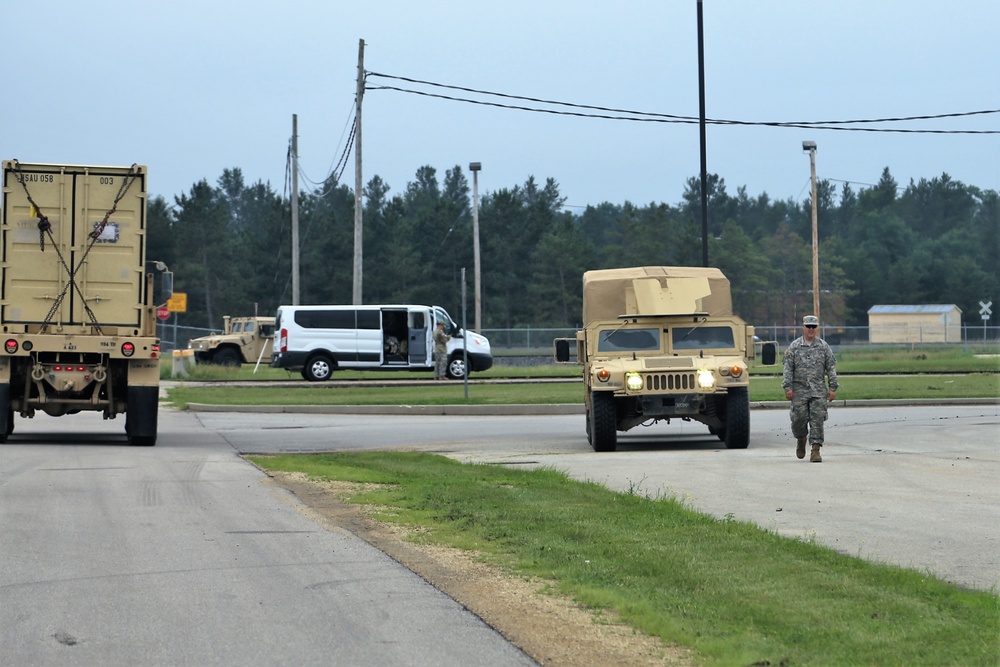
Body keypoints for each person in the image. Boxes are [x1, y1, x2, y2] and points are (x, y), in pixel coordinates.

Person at [782, 315, 839, 463]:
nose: (811, 329)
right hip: (799, 390)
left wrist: (833, 387)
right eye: (808, 326)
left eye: (814, 327)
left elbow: (831, 368)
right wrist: (787, 387)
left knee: (817, 420)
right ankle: (801, 439)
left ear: (817, 328)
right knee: (798, 419)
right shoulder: (794, 347)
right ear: (803, 327)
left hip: (818, 390)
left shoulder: (823, 347)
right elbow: (788, 369)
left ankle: (815, 449)